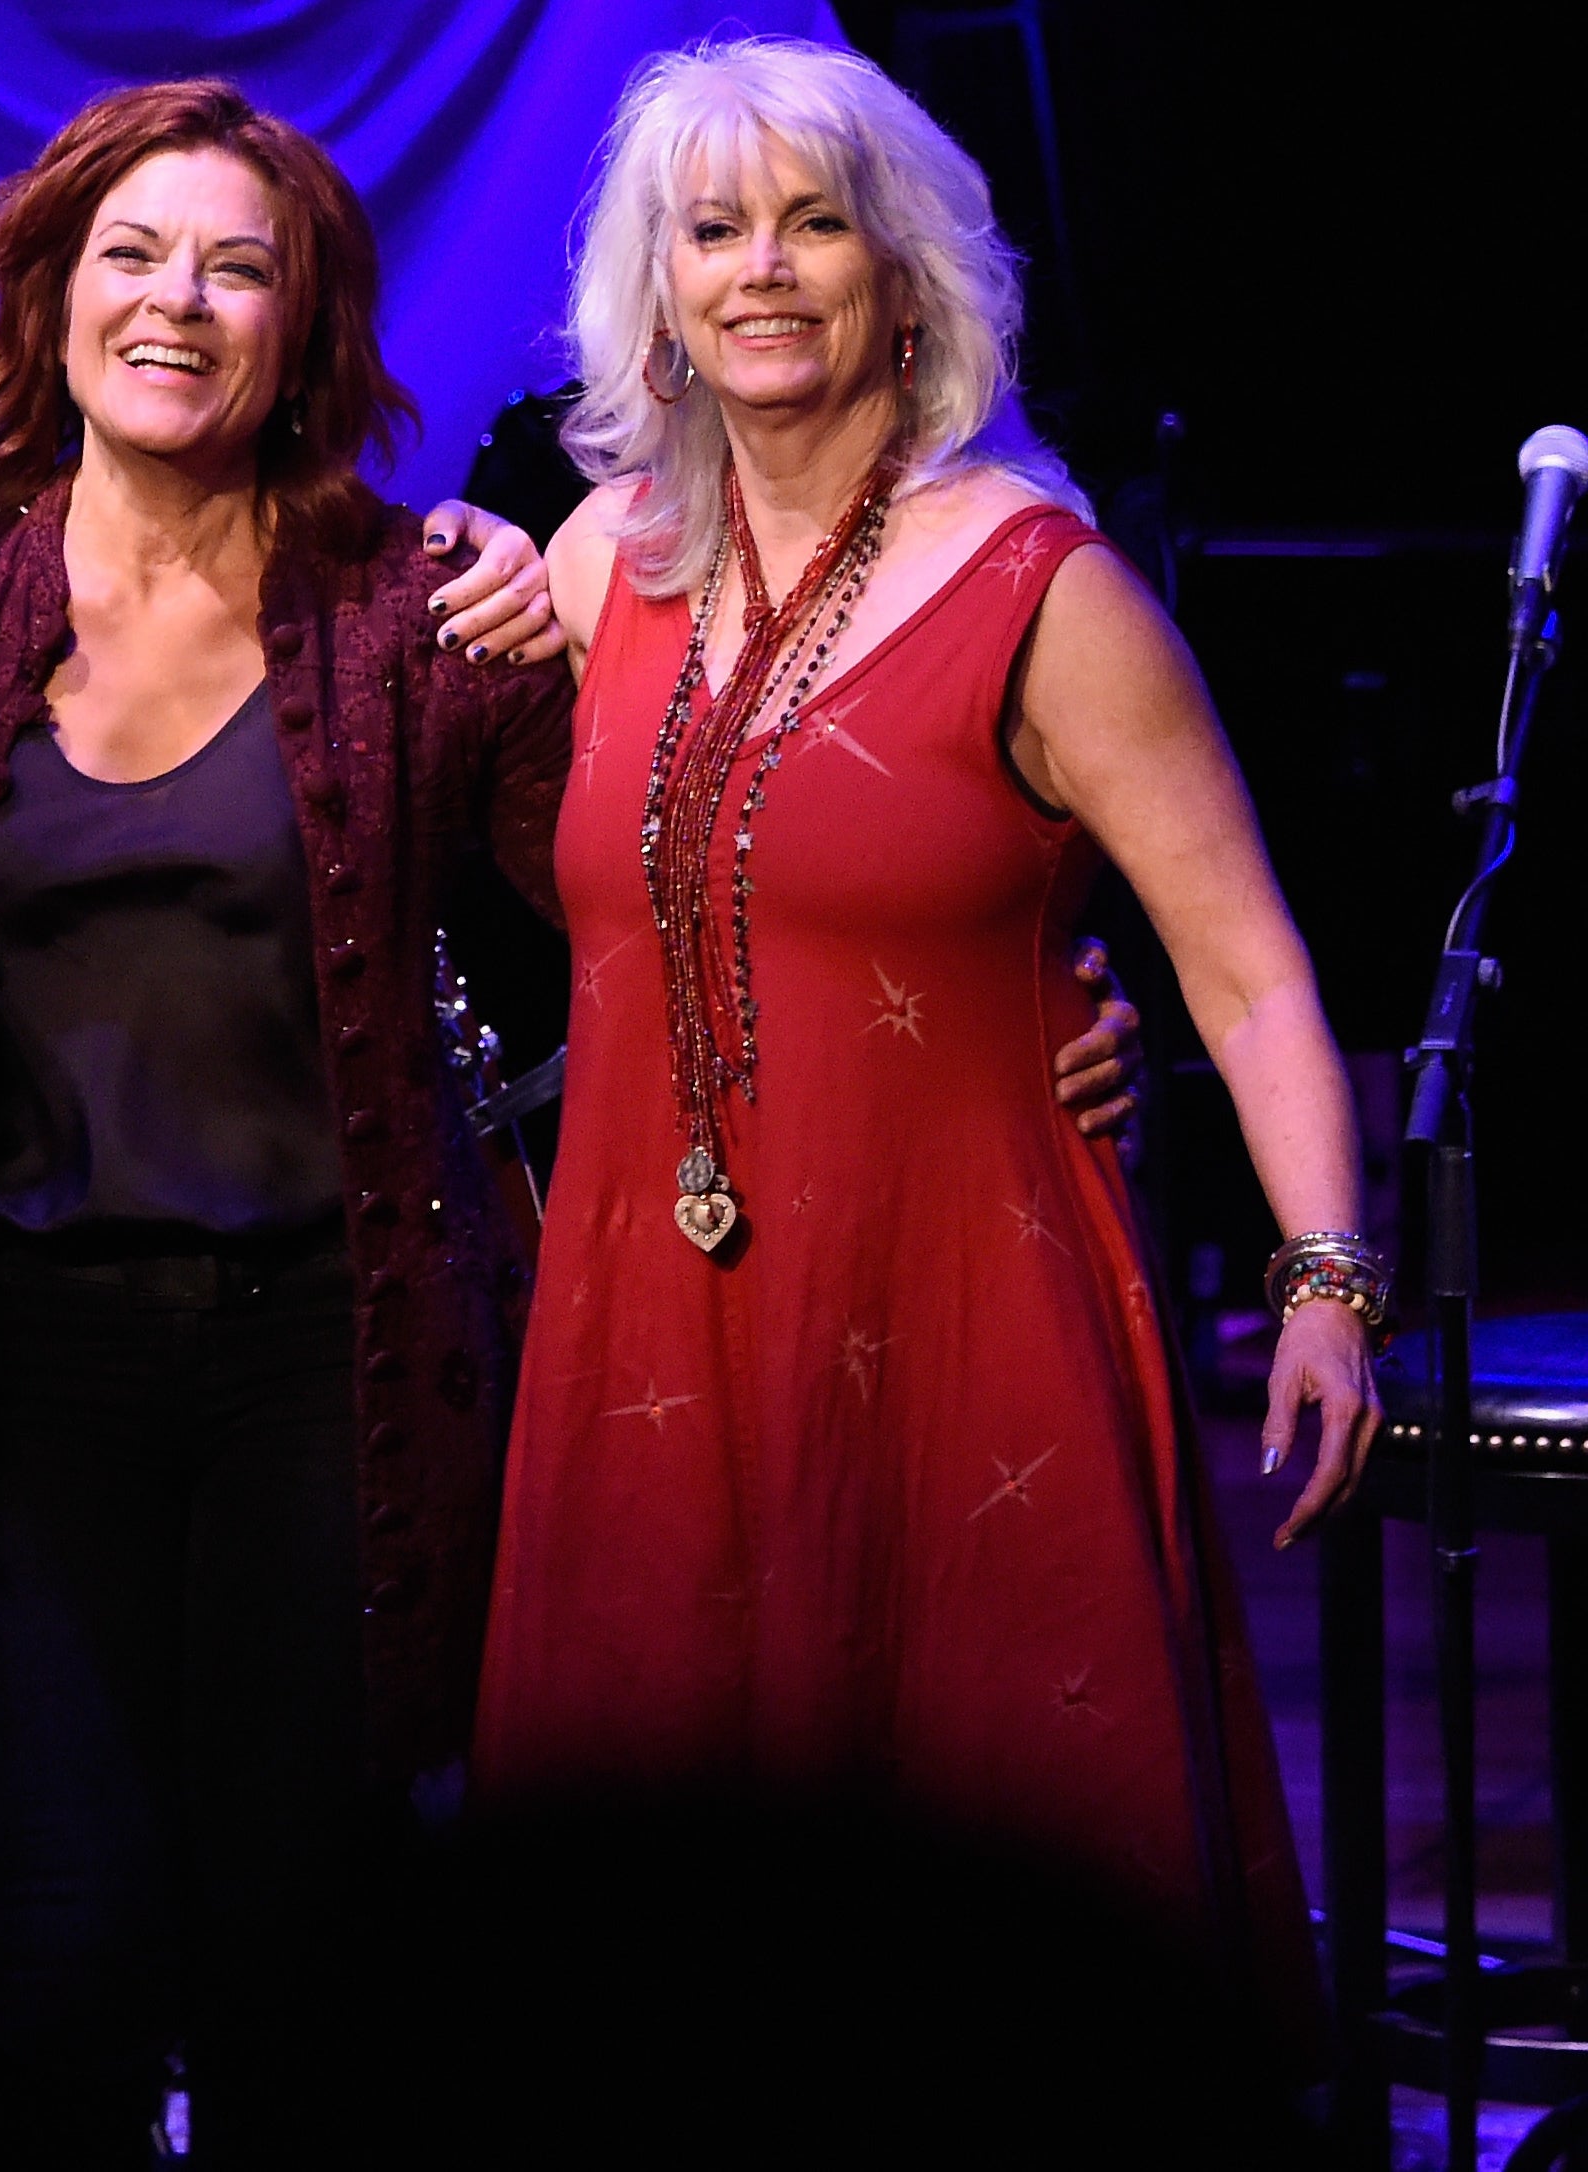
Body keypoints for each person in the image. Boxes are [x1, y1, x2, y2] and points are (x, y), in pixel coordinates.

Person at [0, 77, 1135, 2168]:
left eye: (236, 266)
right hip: (22, 1371)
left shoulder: (414, 611)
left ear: (304, 328)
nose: (177, 303)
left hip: (321, 1363)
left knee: (305, 1960)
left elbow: (704, 887)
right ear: (54, 293)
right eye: (132, 256)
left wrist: (1037, 998)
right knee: (53, 1960)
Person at [473, 35, 1373, 2057]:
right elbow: (628, 893)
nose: (762, 268)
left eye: (813, 224)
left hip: (958, 1320)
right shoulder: (584, 569)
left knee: (986, 1973)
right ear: (660, 289)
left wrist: (1321, 1278)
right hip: (639, 1335)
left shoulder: (1041, 590)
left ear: (907, 279)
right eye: (713, 231)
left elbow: (1244, 972)